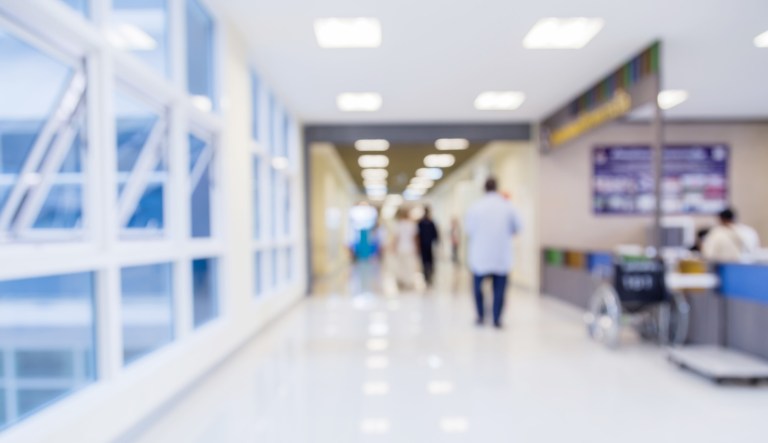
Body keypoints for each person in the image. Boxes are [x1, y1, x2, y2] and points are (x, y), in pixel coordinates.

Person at [464, 177, 522, 329]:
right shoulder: (507, 206)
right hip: (501, 256)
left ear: (484, 189)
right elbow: (517, 228)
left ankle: (481, 316)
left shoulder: (475, 207)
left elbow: (468, 230)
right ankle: (496, 319)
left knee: (477, 289)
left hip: (480, 256)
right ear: (496, 188)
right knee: (499, 290)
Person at [393, 208, 418, 289]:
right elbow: (414, 238)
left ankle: (401, 281)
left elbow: (397, 238)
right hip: (410, 247)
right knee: (409, 265)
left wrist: (394, 247)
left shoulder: (399, 224)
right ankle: (409, 281)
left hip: (401, 247)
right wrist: (416, 247)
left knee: (401, 265)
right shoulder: (412, 225)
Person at [417, 206, 440, 286]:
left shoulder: (428, 222)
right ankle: (427, 273)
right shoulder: (422, 223)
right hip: (425, 244)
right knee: (427, 259)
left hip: (427, 244)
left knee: (428, 259)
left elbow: (435, 233)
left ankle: (429, 273)